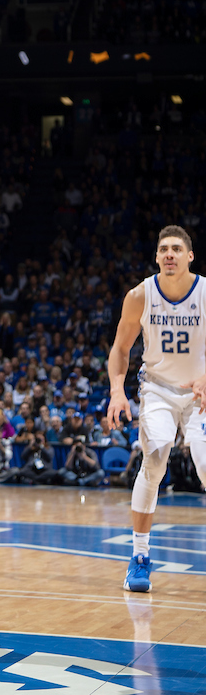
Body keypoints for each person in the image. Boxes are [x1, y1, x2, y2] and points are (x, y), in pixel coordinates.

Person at [107, 225, 206, 593]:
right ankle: (140, 557)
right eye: (164, 248)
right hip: (158, 390)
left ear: (189, 256)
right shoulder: (140, 295)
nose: (170, 254)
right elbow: (120, 349)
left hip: (200, 394)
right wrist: (117, 390)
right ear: (156, 257)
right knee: (156, 459)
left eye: (177, 249)